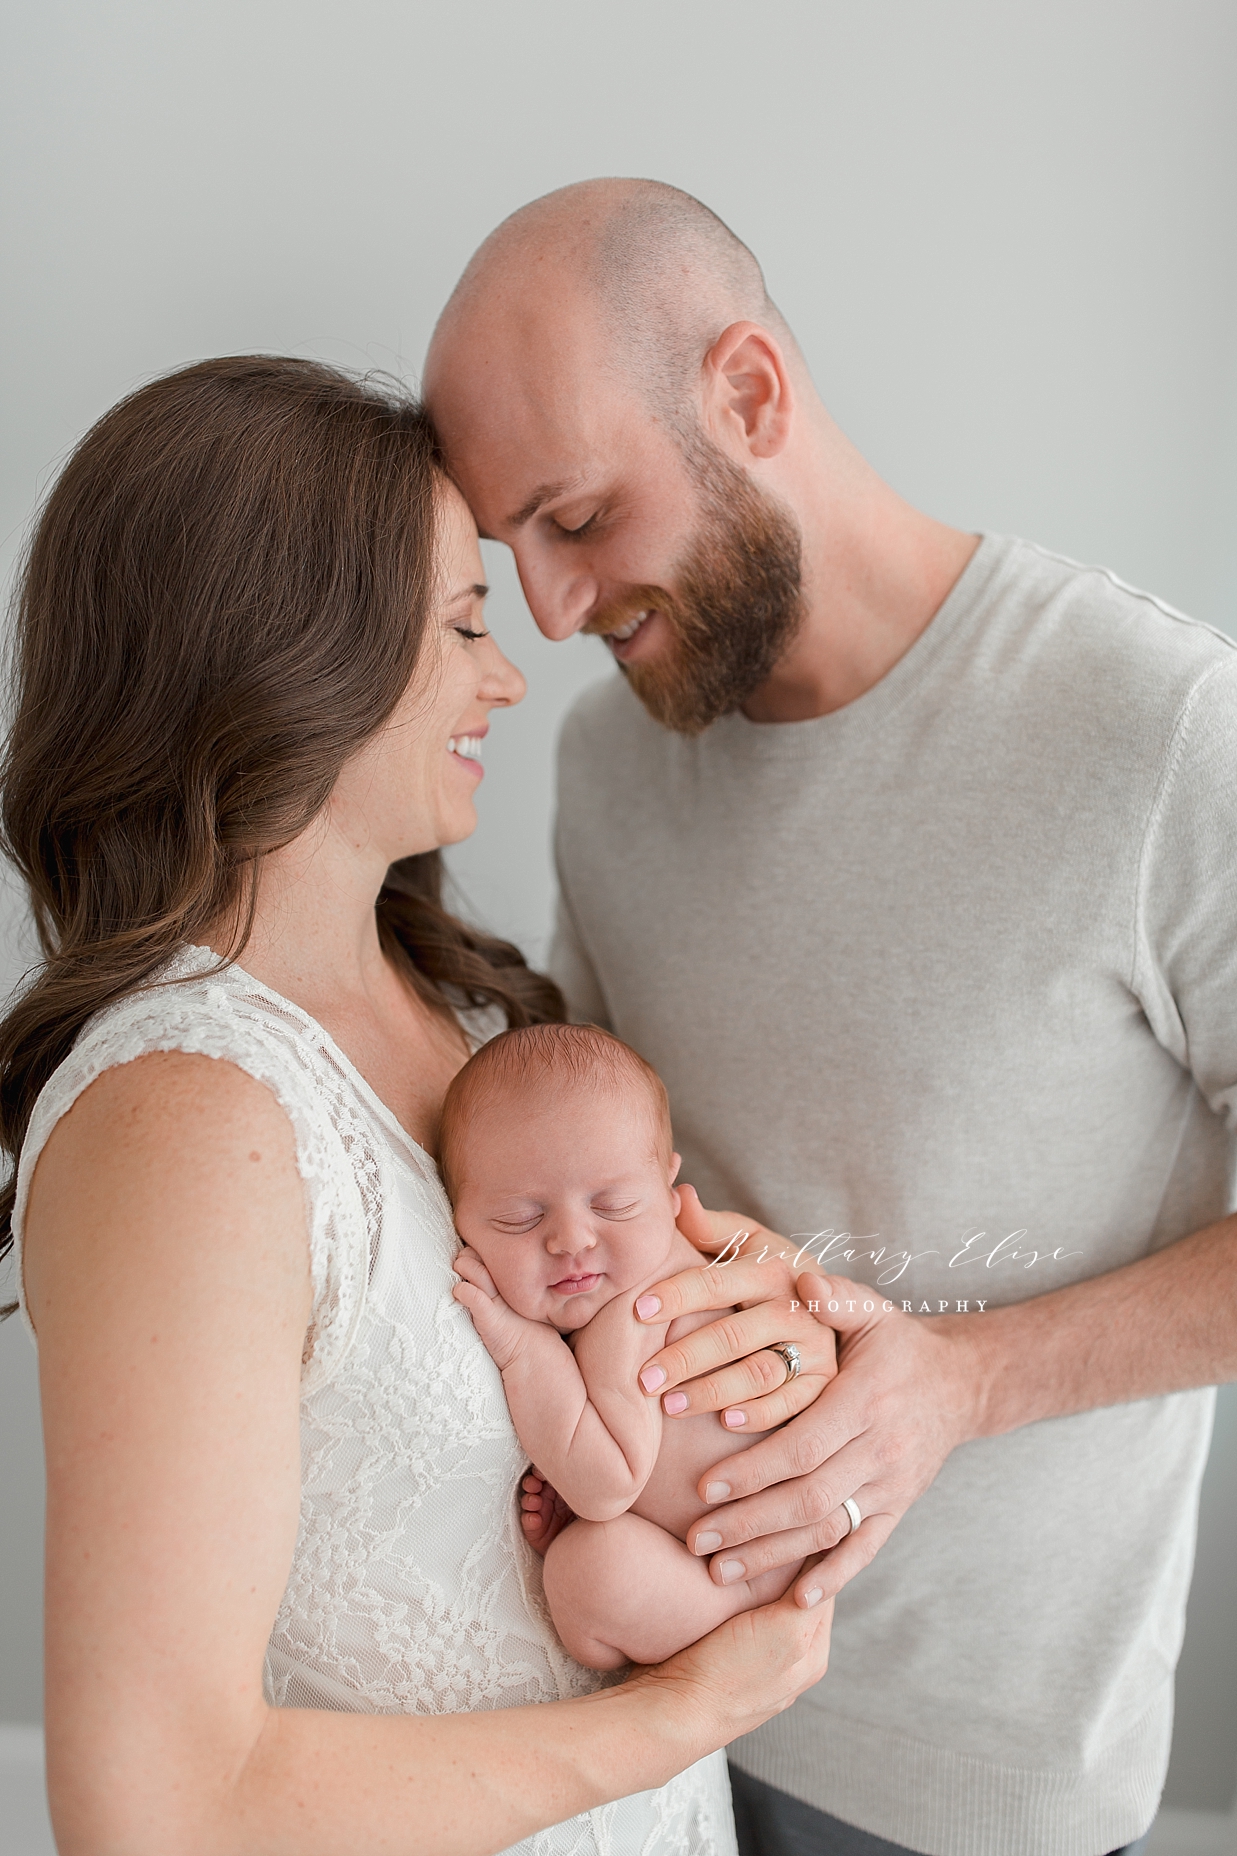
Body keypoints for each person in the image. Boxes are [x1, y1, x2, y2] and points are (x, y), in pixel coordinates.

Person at [423, 178, 1237, 1856]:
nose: (554, 616)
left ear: (746, 395)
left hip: (973, 1785)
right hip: (638, 1705)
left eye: (576, 519)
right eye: (510, 556)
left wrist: (958, 1383)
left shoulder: (1157, 735)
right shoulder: (606, 769)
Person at [0, 354, 835, 1856]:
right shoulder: (185, 1123)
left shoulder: (464, 1013)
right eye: (464, 624)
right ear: (286, 647)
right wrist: (679, 1712)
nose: (508, 675)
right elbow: (150, 1811)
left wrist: (741, 1319)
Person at [443, 1021, 834, 1669]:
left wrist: (523, 1348)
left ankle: (710, 1639)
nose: (571, 1239)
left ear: (668, 1188)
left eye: (614, 1204)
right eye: (520, 1217)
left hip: (744, 1579)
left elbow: (604, 1486)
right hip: (716, 1548)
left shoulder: (643, 1305)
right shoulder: (633, 1272)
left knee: (590, 1573)